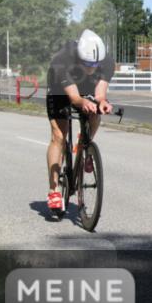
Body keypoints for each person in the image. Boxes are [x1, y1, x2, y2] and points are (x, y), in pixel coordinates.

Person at [45, 29, 115, 213]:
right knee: (59, 136)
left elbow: (100, 93)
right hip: (60, 90)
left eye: (95, 65)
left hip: (86, 86)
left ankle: (85, 145)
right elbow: (75, 99)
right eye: (87, 64)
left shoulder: (107, 61)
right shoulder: (62, 60)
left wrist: (102, 103)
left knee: (95, 112)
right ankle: (54, 191)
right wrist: (82, 102)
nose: (92, 68)